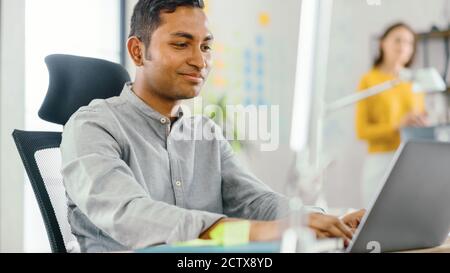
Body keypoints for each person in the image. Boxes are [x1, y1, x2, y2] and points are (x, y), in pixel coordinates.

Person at [61, 0, 365, 252]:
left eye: (206, 47)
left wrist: (317, 221)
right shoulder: (91, 127)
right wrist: (256, 232)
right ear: (138, 51)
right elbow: (130, 214)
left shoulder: (204, 133)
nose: (199, 60)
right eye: (181, 44)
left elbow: (255, 201)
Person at [356, 22, 428, 207]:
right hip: (380, 161)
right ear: (382, 43)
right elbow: (362, 131)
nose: (403, 46)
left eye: (409, 43)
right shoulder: (370, 80)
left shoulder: (414, 82)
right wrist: (397, 126)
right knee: (376, 222)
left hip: (411, 160)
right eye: (398, 40)